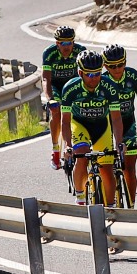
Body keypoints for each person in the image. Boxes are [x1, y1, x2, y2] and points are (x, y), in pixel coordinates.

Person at [59, 50, 124, 206]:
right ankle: (80, 198)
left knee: (107, 169)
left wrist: (120, 142)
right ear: (80, 73)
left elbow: (115, 118)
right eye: (89, 75)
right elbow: (65, 121)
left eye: (97, 74)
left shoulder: (110, 87)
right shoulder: (70, 88)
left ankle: (111, 209)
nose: (94, 78)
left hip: (102, 126)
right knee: (81, 156)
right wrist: (68, 145)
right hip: (80, 125)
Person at [101, 44, 137, 206]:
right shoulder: (101, 81)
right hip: (105, 125)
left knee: (129, 166)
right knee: (106, 166)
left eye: (121, 64)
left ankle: (132, 205)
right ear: (105, 66)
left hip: (128, 123)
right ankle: (108, 202)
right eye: (112, 66)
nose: (117, 69)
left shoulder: (135, 78)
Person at [43, 26, 86, 170]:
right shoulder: (49, 54)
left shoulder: (81, 51)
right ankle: (56, 150)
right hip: (56, 86)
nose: (67, 46)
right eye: (63, 43)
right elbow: (45, 79)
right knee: (57, 111)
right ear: (57, 44)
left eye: (70, 43)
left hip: (74, 84)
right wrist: (50, 99)